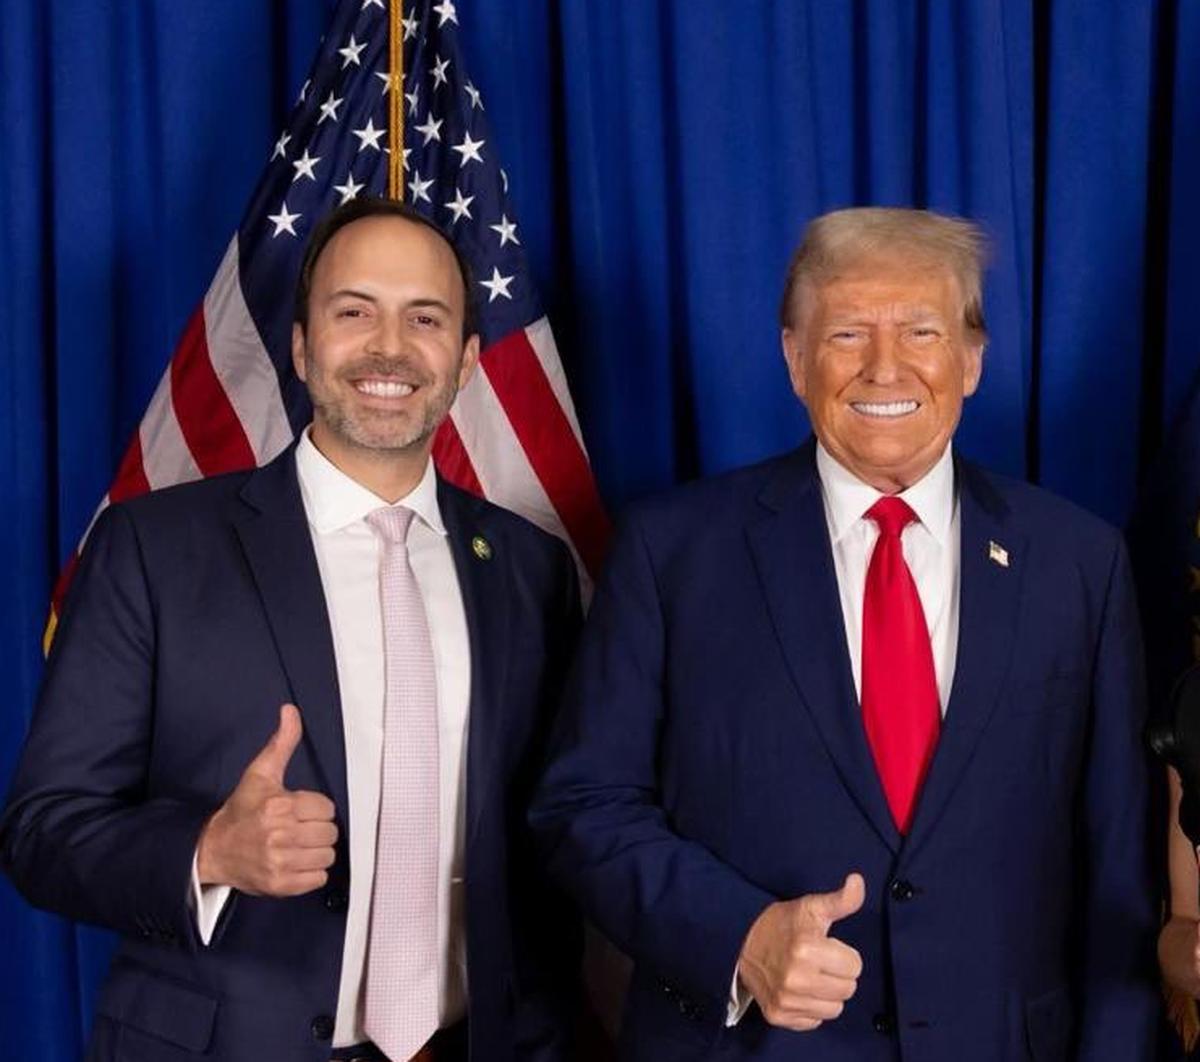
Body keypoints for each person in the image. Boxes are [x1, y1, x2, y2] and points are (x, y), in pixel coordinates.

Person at [530, 207, 1159, 1060]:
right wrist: (740, 936)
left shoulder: (1080, 564)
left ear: (971, 359)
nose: (885, 367)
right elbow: (582, 807)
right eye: (848, 334)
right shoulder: (671, 552)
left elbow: (1118, 862)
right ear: (794, 359)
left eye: (922, 331)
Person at [1, 198, 581, 1062]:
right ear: (303, 347)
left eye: (424, 318)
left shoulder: (531, 569)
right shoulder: (153, 548)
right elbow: (42, 830)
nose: (389, 348)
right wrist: (208, 850)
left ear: (464, 361)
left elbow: (560, 831)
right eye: (355, 313)